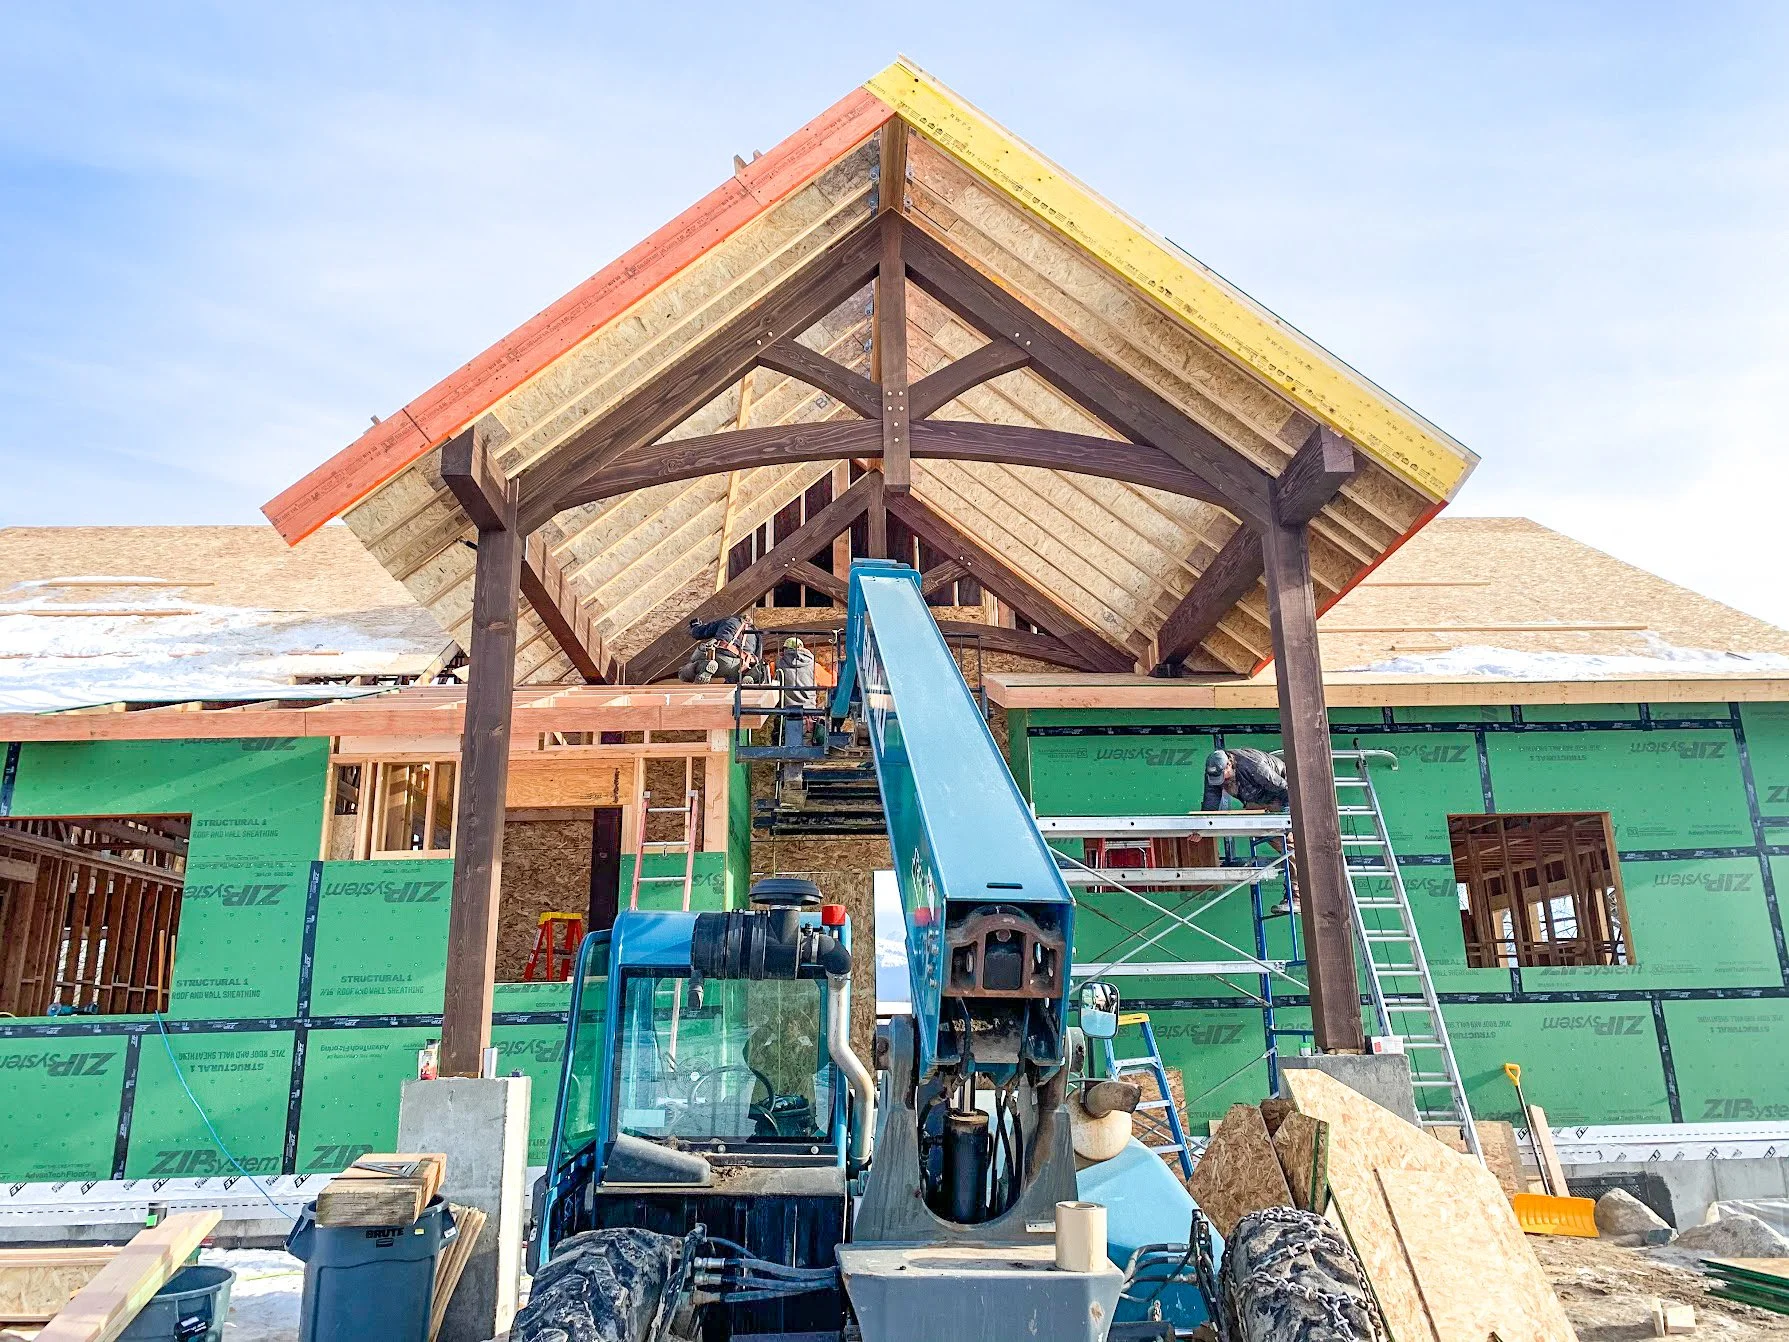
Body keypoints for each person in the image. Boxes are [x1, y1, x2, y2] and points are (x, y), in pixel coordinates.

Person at [677, 611, 762, 684]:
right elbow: (758, 657)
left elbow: (699, 633)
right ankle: (748, 677)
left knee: (685, 672)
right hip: (740, 666)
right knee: (738, 676)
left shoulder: (728, 621)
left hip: (720, 658)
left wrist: (695, 626)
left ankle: (705, 666)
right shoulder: (756, 634)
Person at [1202, 747, 1289, 812]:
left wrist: (1288, 812)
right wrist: (1202, 827)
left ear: (1229, 765)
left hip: (1281, 788)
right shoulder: (1213, 773)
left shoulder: (1253, 765)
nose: (1221, 781)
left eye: (1221, 776)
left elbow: (1284, 788)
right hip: (1258, 798)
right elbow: (1210, 803)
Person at [775, 636, 821, 752]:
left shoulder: (778, 665)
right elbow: (832, 681)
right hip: (808, 716)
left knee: (783, 751)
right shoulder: (814, 665)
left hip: (786, 715)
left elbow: (770, 683)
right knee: (806, 752)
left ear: (784, 650)